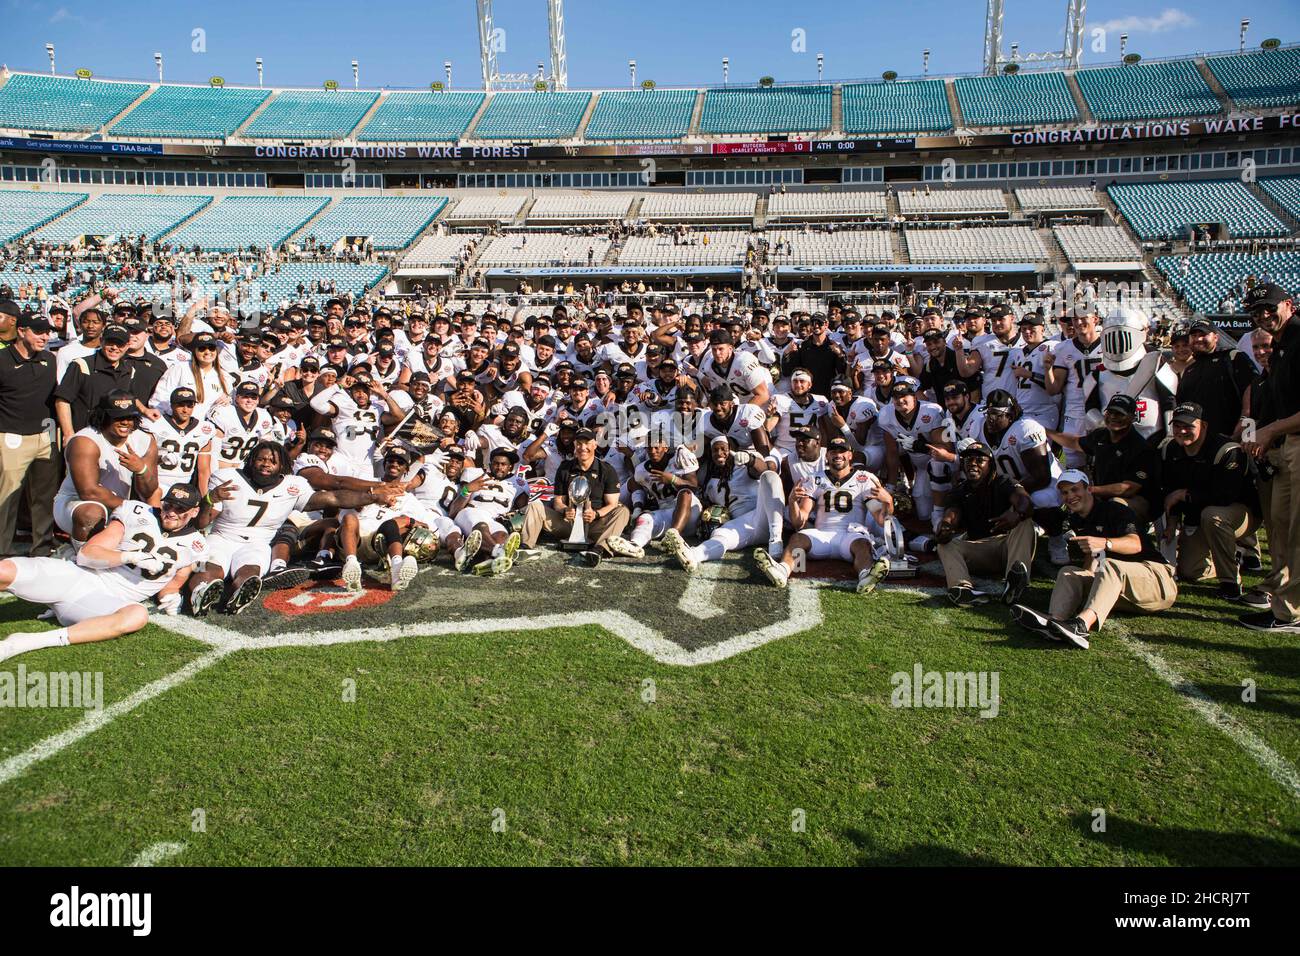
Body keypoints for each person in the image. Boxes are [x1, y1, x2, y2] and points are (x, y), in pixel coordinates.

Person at [0, 484, 205, 663]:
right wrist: (129, 557)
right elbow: (87, 554)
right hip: (79, 576)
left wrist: (170, 595)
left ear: (194, 512)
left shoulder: (197, 545)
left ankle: (24, 642)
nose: (171, 512)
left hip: (105, 602)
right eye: (168, 505)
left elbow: (174, 582)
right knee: (4, 570)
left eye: (181, 509)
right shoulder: (138, 512)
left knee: (137, 615)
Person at [189, 441, 397, 616]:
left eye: (273, 461)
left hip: (258, 543)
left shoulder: (293, 485)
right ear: (251, 460)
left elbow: (333, 497)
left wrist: (372, 496)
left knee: (249, 573)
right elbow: (201, 524)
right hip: (222, 536)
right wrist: (209, 499)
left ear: (282, 466)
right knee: (212, 570)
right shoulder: (227, 477)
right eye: (261, 459)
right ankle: (201, 592)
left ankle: (239, 594)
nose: (266, 464)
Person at [1010, 470, 1177, 649]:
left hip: (1157, 582)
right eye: (1065, 493)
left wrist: (1105, 543)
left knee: (1110, 566)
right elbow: (1092, 564)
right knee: (1069, 572)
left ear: (1089, 489)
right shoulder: (1077, 520)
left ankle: (1081, 626)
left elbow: (1135, 544)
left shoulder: (1115, 510)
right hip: (1123, 590)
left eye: (1075, 490)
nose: (1070, 496)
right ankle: (1054, 622)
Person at [753, 437, 892, 594]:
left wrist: (888, 502)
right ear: (827, 456)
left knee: (863, 544)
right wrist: (792, 502)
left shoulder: (864, 479)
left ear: (850, 455)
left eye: (842, 451)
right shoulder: (815, 479)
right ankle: (783, 570)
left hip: (850, 536)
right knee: (798, 537)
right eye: (833, 451)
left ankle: (866, 576)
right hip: (821, 535)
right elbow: (799, 522)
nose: (837, 455)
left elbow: (881, 520)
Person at [1159, 401, 1265, 607]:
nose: (1182, 430)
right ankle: (1227, 556)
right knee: (1190, 571)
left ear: (1203, 426)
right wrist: (1172, 522)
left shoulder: (1226, 450)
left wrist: (1185, 494)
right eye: (1177, 425)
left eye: (1188, 426)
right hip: (1199, 515)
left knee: (1213, 515)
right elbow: (1170, 491)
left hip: (1241, 514)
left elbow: (1225, 496)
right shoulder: (1170, 450)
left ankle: (1230, 583)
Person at [1239, 283, 1300, 633]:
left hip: (1291, 440)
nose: (1262, 315)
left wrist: (1269, 431)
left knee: (1295, 530)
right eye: (1256, 311)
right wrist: (1261, 437)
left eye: (1268, 308)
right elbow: (1256, 409)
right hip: (1282, 445)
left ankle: (1290, 610)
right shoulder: (1280, 348)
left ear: (1288, 305)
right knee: (1280, 525)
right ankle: (1281, 598)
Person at [660, 435, 786, 572]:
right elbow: (699, 494)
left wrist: (750, 460)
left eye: (723, 448)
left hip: (762, 515)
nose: (719, 453)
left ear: (731, 448)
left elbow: (763, 469)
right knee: (720, 534)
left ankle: (776, 540)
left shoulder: (744, 460)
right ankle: (694, 555)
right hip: (742, 524)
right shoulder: (709, 477)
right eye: (715, 450)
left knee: (770, 476)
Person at [51, 390, 159, 548]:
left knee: (158, 495)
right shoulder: (85, 440)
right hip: (76, 504)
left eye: (129, 417)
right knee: (91, 513)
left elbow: (149, 490)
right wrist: (131, 510)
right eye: (118, 417)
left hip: (119, 506)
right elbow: (89, 492)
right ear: (103, 416)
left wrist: (141, 469)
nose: (125, 422)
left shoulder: (145, 440)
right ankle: (79, 556)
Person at [934, 442, 1035, 607]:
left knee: (1025, 523)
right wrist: (945, 526)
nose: (972, 464)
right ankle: (962, 589)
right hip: (979, 549)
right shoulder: (959, 490)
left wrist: (1017, 515)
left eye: (979, 460)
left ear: (991, 464)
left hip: (1007, 546)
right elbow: (952, 513)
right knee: (944, 545)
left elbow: (1025, 501)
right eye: (968, 460)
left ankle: (1016, 582)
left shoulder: (1003, 482)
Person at [520, 429, 635, 565]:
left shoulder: (607, 470)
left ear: (594, 445)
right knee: (535, 506)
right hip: (567, 523)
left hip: (595, 525)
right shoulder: (564, 468)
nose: (583, 447)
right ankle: (525, 547)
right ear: (575, 445)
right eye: (579, 443)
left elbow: (612, 503)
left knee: (622, 511)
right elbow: (558, 501)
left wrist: (596, 514)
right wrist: (564, 510)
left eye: (587, 443)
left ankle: (599, 550)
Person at [0, 308, 58, 557]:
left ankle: (41, 548)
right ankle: (2, 550)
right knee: (7, 498)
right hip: (11, 435)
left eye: (47, 332)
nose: (44, 337)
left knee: (44, 497)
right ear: (21, 331)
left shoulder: (50, 359)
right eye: (38, 332)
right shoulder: (2, 360)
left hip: (46, 435)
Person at [1048, 393, 1161, 522]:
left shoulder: (1141, 448)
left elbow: (1129, 488)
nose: (1113, 417)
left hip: (1138, 501)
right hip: (1102, 495)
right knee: (1079, 500)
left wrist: (1090, 490)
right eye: (1110, 412)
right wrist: (1046, 432)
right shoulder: (1101, 435)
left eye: (1119, 414)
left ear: (1132, 417)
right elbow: (1074, 442)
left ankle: (1131, 536)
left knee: (1116, 503)